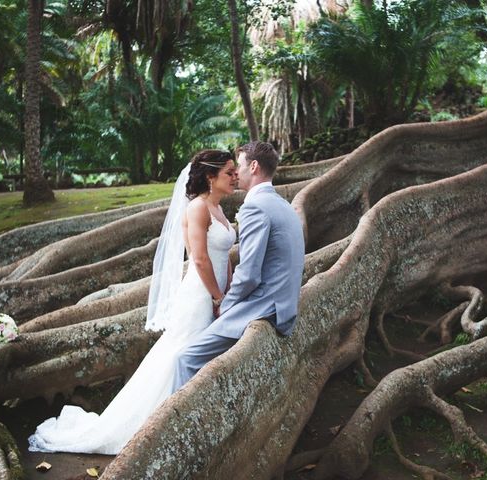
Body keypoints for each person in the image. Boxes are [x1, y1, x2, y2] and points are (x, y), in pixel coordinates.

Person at [28, 150, 237, 455]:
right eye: (229, 172)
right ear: (210, 176)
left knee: (198, 354)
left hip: (218, 292)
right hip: (198, 295)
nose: (234, 177)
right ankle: (160, 423)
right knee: (180, 353)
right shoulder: (198, 208)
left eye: (234, 172)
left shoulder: (220, 209)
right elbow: (201, 259)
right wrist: (217, 297)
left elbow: (224, 257)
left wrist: (229, 288)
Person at [170, 141, 305, 392]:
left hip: (264, 305)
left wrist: (226, 304)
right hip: (283, 303)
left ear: (253, 167)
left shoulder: (256, 206)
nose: (235, 175)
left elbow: (250, 273)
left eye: (238, 167)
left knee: (185, 359)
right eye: (229, 172)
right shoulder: (282, 204)